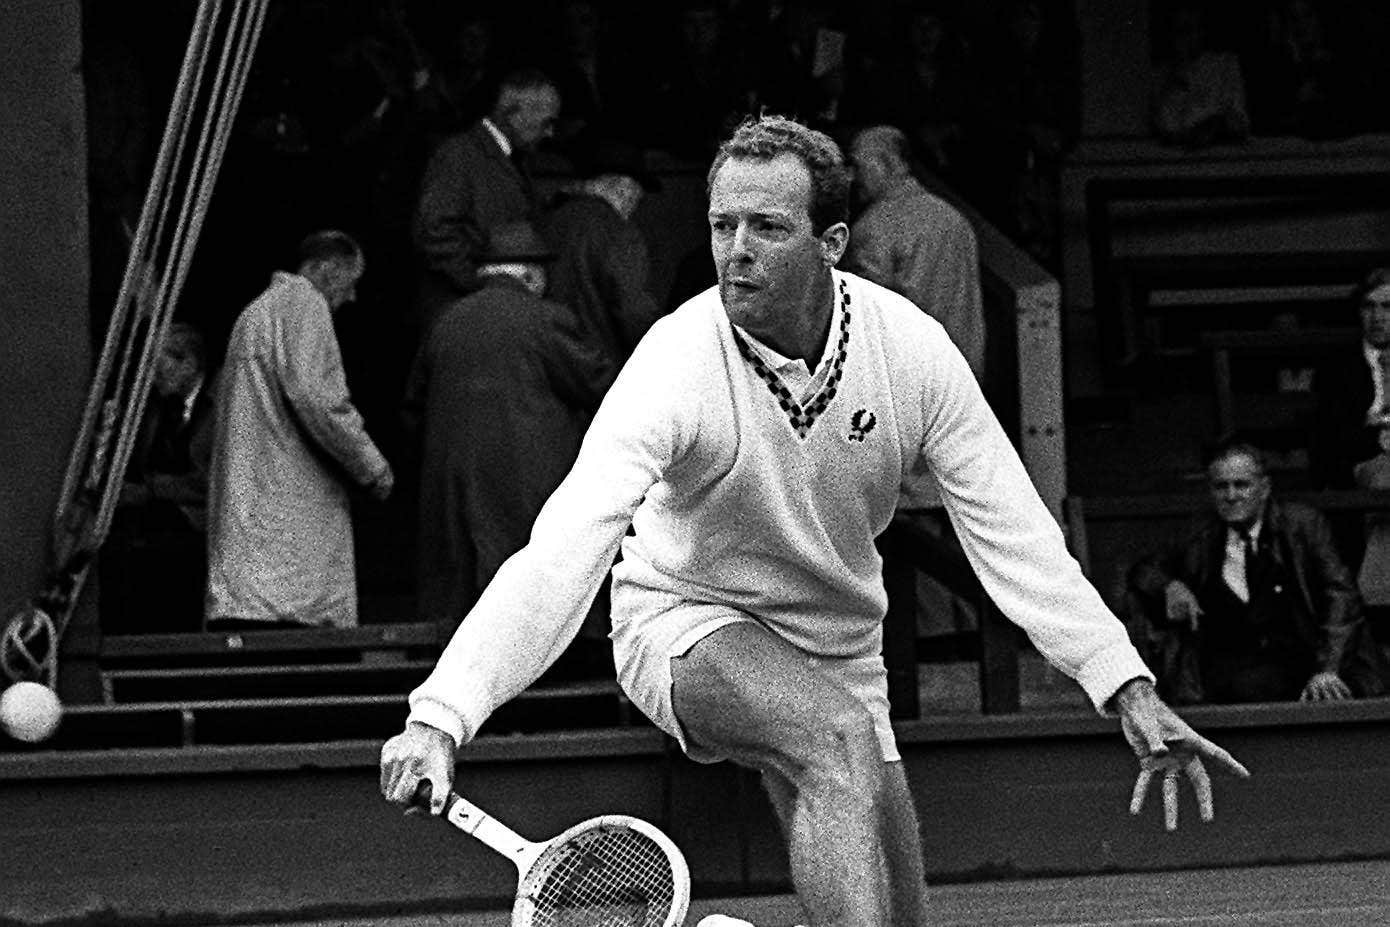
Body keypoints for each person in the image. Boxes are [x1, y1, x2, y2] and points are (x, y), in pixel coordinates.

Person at [380, 115, 1248, 925]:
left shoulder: (908, 351)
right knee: (830, 735)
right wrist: (442, 712)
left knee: (894, 909)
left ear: (833, 244)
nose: (735, 252)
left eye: (768, 227)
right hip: (685, 622)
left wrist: (1125, 686)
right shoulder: (675, 361)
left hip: (840, 648)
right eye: (722, 225)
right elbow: (562, 550)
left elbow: (1013, 530)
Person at [403, 220, 617, 631]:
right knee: (529, 597)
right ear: (532, 275)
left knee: (465, 600)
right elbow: (602, 387)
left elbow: (413, 409)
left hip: (452, 486)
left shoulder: (446, 322)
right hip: (527, 484)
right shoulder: (544, 319)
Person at [206, 230, 394, 630]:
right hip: (286, 546)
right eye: (351, 282)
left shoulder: (256, 312)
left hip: (252, 540)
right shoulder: (304, 303)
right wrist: (372, 466)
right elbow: (317, 397)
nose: (353, 296)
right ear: (327, 270)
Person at [1126, 439, 1389, 704]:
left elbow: (1341, 595)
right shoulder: (1200, 533)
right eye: (1221, 487)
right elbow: (1144, 570)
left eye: (1241, 485)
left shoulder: (1302, 525)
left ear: (1264, 488)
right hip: (1226, 677)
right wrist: (1169, 585)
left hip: (1306, 663)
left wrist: (1329, 669)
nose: (1231, 496)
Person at [411, 67, 561, 335]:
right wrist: (486, 286)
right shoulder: (459, 155)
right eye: (546, 122)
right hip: (460, 316)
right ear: (515, 115)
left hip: (487, 313)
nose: (550, 133)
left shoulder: (512, 159)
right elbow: (434, 232)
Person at [843, 124, 985, 379]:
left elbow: (867, 318)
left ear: (886, 163)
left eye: (857, 165)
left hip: (911, 378)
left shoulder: (875, 226)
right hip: (964, 370)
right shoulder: (953, 218)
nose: (851, 177)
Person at [100, 322, 215, 634]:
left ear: (188, 363)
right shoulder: (153, 410)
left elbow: (213, 483)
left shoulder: (219, 410)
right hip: (154, 527)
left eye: (159, 366)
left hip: (194, 534)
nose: (151, 376)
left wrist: (150, 491)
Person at [539, 142, 664, 372]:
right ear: (624, 189)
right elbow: (633, 309)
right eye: (638, 198)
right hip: (598, 370)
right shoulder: (616, 230)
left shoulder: (544, 222)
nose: (634, 207)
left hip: (547, 365)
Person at [1149, 1, 1250, 148]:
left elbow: (1238, 122)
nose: (1188, 37)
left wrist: (1213, 126)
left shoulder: (1224, 66)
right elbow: (1165, 126)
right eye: (1181, 31)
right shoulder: (1160, 76)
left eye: (1192, 29)